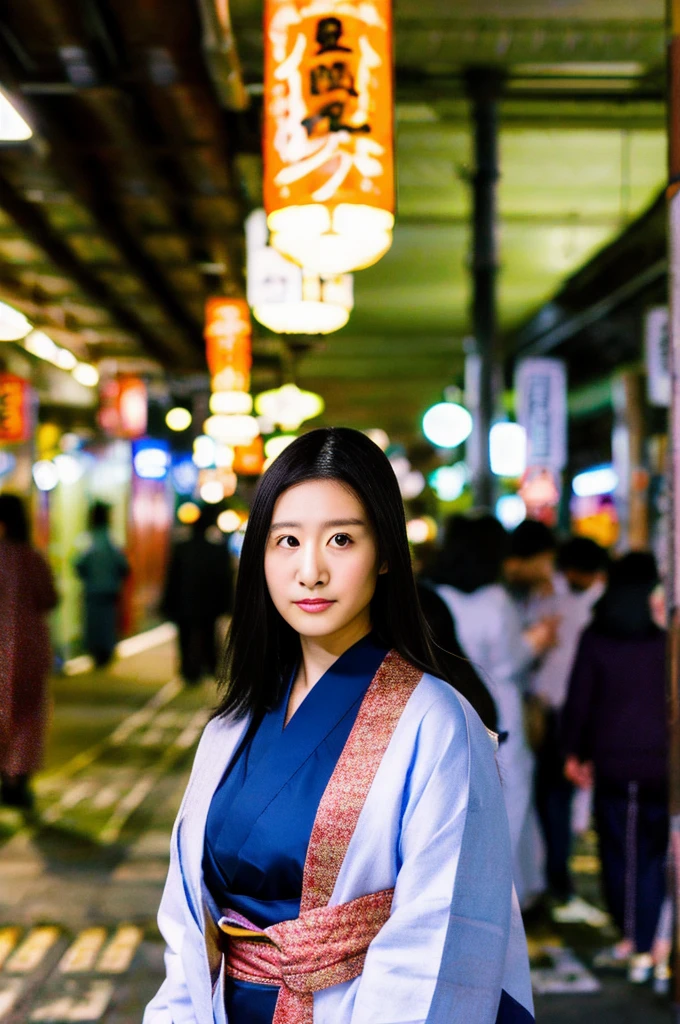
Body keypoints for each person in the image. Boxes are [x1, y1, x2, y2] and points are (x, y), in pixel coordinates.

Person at [145, 428, 534, 1024]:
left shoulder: (437, 721)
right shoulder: (235, 722)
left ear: (385, 554)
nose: (311, 571)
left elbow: (440, 939)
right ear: (260, 558)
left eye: (341, 539)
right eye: (286, 541)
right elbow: (186, 920)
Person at [433, 514, 555, 909]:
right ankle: (507, 902)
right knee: (509, 809)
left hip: (446, 710)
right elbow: (510, 660)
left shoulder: (436, 596)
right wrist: (537, 640)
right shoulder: (495, 600)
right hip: (499, 716)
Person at [562, 552, 668, 987]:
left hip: (614, 761)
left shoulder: (597, 634)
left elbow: (580, 697)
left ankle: (634, 939)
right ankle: (647, 937)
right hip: (663, 763)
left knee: (620, 851)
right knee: (652, 854)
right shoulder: (665, 637)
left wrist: (572, 750)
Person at [521, 534, 608, 916]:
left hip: (586, 712)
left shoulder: (599, 600)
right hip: (552, 710)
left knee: (565, 798)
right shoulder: (549, 595)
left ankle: (560, 876)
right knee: (552, 797)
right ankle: (555, 876)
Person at [0, 494, 58, 810]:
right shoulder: (30, 558)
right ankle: (17, 780)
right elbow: (49, 597)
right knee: (27, 715)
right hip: (27, 649)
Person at [162, 507, 233, 685]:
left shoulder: (181, 548)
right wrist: (228, 604)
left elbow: (172, 578)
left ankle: (188, 670)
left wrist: (167, 603)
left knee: (185, 636)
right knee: (208, 633)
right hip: (209, 603)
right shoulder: (217, 550)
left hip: (184, 602)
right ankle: (210, 665)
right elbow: (225, 579)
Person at [76, 502, 130, 667]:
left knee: (93, 623)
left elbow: (79, 565)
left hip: (92, 591)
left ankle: (95, 651)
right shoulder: (112, 539)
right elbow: (123, 566)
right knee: (108, 623)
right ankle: (106, 651)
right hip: (110, 591)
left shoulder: (87, 540)